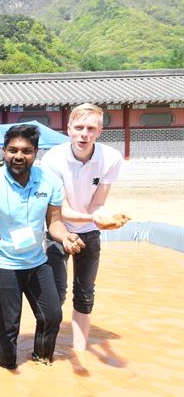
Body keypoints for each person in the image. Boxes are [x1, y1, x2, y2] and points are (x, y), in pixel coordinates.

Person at [0, 124, 85, 370]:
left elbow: (54, 223)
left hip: (36, 259)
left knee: (52, 315)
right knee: (8, 323)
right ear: (3, 151)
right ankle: (7, 367)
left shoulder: (50, 182)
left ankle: (41, 361)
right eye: (12, 150)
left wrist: (66, 236)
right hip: (1, 262)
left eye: (26, 151)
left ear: (36, 152)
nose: (19, 156)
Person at [42, 103, 131, 352]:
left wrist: (105, 217)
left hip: (89, 231)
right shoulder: (52, 159)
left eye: (91, 128)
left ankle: (79, 352)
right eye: (79, 127)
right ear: (68, 129)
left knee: (85, 293)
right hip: (57, 229)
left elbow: (98, 203)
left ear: (100, 131)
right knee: (55, 294)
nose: (84, 134)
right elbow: (61, 210)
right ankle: (47, 348)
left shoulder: (110, 158)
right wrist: (95, 219)